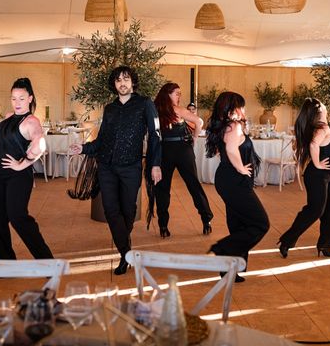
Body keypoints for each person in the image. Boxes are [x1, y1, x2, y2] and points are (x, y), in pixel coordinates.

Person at [70, 66, 162, 275]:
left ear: (133, 82)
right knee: (111, 211)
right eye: (118, 80)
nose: (122, 83)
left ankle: (123, 246)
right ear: (114, 84)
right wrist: (84, 148)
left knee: (128, 211)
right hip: (107, 167)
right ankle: (125, 254)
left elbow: (156, 135)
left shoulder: (145, 104)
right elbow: (102, 140)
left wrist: (155, 164)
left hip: (131, 167)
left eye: (126, 79)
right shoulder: (109, 108)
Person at [205, 91, 269, 283]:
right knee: (260, 223)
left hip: (228, 179)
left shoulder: (226, 126)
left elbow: (222, 151)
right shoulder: (233, 126)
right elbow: (232, 150)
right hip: (234, 181)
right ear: (233, 109)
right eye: (241, 106)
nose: (244, 109)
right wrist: (241, 168)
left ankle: (229, 269)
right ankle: (222, 249)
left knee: (238, 224)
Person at [0, 77, 53, 260]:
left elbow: (40, 145)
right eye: (14, 98)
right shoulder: (8, 117)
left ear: (30, 98)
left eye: (21, 98)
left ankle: (47, 261)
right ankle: (5, 262)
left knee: (18, 217)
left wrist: (22, 164)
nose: (17, 102)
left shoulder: (31, 121)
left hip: (18, 177)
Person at [278, 98, 330, 259]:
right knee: (315, 210)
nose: (325, 103)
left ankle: (326, 244)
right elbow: (313, 145)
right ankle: (287, 241)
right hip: (317, 176)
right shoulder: (323, 128)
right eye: (322, 103)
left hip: (325, 176)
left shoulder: (322, 126)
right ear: (320, 110)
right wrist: (318, 163)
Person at [152, 82, 213, 237]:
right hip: (174, 150)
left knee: (185, 185)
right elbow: (199, 122)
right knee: (166, 187)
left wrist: (193, 137)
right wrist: (194, 138)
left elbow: (199, 122)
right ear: (167, 94)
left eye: (180, 93)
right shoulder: (169, 110)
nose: (179, 96)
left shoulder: (156, 110)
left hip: (172, 150)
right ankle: (204, 220)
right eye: (176, 93)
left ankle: (204, 220)